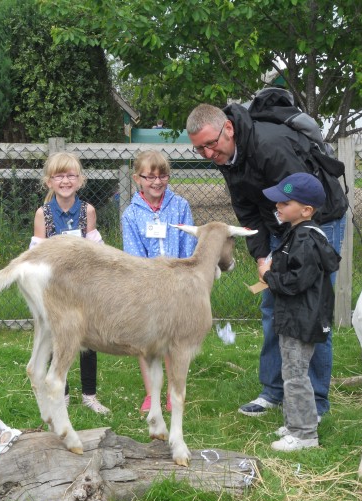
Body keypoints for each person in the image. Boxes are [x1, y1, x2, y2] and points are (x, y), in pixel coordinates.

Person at [186, 101, 347, 419]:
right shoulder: (225, 156)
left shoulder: (271, 147)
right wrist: (263, 257)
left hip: (317, 220)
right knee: (273, 307)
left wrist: (283, 257)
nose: (207, 154)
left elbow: (301, 206)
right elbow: (247, 210)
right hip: (278, 222)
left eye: (210, 144)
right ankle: (273, 391)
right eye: (199, 149)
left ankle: (314, 402)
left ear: (228, 129)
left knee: (311, 312)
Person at [259, 173, 340, 451]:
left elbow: (295, 283)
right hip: (295, 318)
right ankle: (297, 421)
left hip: (300, 320)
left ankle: (304, 434)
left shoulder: (305, 240)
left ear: (306, 210)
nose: (278, 206)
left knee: (295, 375)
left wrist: (268, 276)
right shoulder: (298, 233)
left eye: (285, 202)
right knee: (292, 371)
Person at [29, 151, 110, 415]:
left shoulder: (88, 211)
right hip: (56, 290)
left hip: (85, 289)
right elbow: (38, 255)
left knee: (88, 341)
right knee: (56, 341)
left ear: (80, 180)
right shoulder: (43, 214)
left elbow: (96, 252)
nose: (65, 181)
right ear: (49, 181)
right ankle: (60, 394)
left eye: (71, 175)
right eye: (59, 176)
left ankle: (90, 395)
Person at [121, 150, 196, 413]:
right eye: (150, 176)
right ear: (137, 179)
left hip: (177, 286)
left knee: (174, 343)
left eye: (163, 175)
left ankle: (173, 393)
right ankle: (152, 393)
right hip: (147, 288)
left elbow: (189, 247)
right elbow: (133, 256)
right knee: (148, 343)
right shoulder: (131, 214)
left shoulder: (180, 206)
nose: (157, 182)